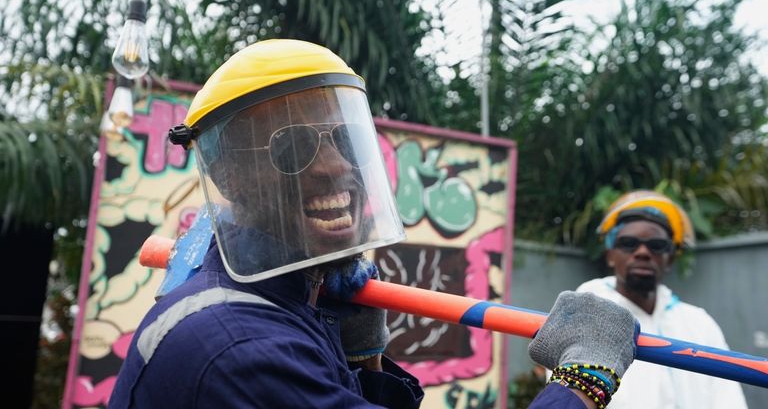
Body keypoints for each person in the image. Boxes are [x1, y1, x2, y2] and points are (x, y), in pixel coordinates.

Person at [109, 38, 637, 409]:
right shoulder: (240, 349)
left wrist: (362, 357)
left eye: (344, 140)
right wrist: (581, 380)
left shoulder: (286, 305)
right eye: (293, 148)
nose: (338, 167)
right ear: (229, 177)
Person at [576, 190, 748, 408]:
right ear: (610, 255)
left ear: (669, 260)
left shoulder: (700, 324)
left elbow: (729, 398)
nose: (643, 252)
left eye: (657, 245)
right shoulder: (584, 313)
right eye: (629, 243)